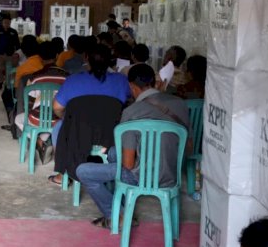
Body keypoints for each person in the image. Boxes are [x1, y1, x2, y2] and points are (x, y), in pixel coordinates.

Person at [75, 63, 189, 228]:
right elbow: (189, 146)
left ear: (132, 86)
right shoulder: (180, 104)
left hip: (141, 177)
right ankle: (119, 206)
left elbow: (128, 164)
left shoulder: (132, 112)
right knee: (114, 153)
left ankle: (117, 215)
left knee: (84, 171)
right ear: (155, 82)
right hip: (172, 174)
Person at [47, 43, 131, 184]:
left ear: (86, 58)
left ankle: (63, 176)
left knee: (59, 127)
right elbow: (128, 102)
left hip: (78, 136)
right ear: (111, 60)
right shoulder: (121, 80)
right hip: (109, 136)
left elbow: (57, 107)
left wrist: (68, 119)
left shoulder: (73, 80)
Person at [0, 15, 20, 90]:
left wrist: (16, 54)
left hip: (10, 54)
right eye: (5, 22)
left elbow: (17, 44)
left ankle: (8, 84)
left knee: (10, 70)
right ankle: (1, 81)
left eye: (8, 22)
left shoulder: (13, 32)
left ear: (10, 23)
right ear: (2, 22)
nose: (6, 24)